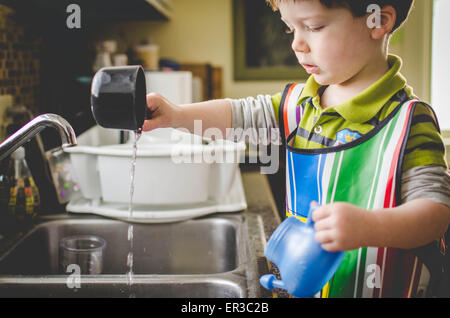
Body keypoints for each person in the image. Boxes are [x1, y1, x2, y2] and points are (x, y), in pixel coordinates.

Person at [142, 0, 450, 298]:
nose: (297, 44)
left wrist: (367, 227)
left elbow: (435, 214)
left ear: (378, 21)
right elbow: (240, 115)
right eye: (291, 29)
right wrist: (176, 115)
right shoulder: (300, 104)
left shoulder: (408, 122)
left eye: (314, 26)